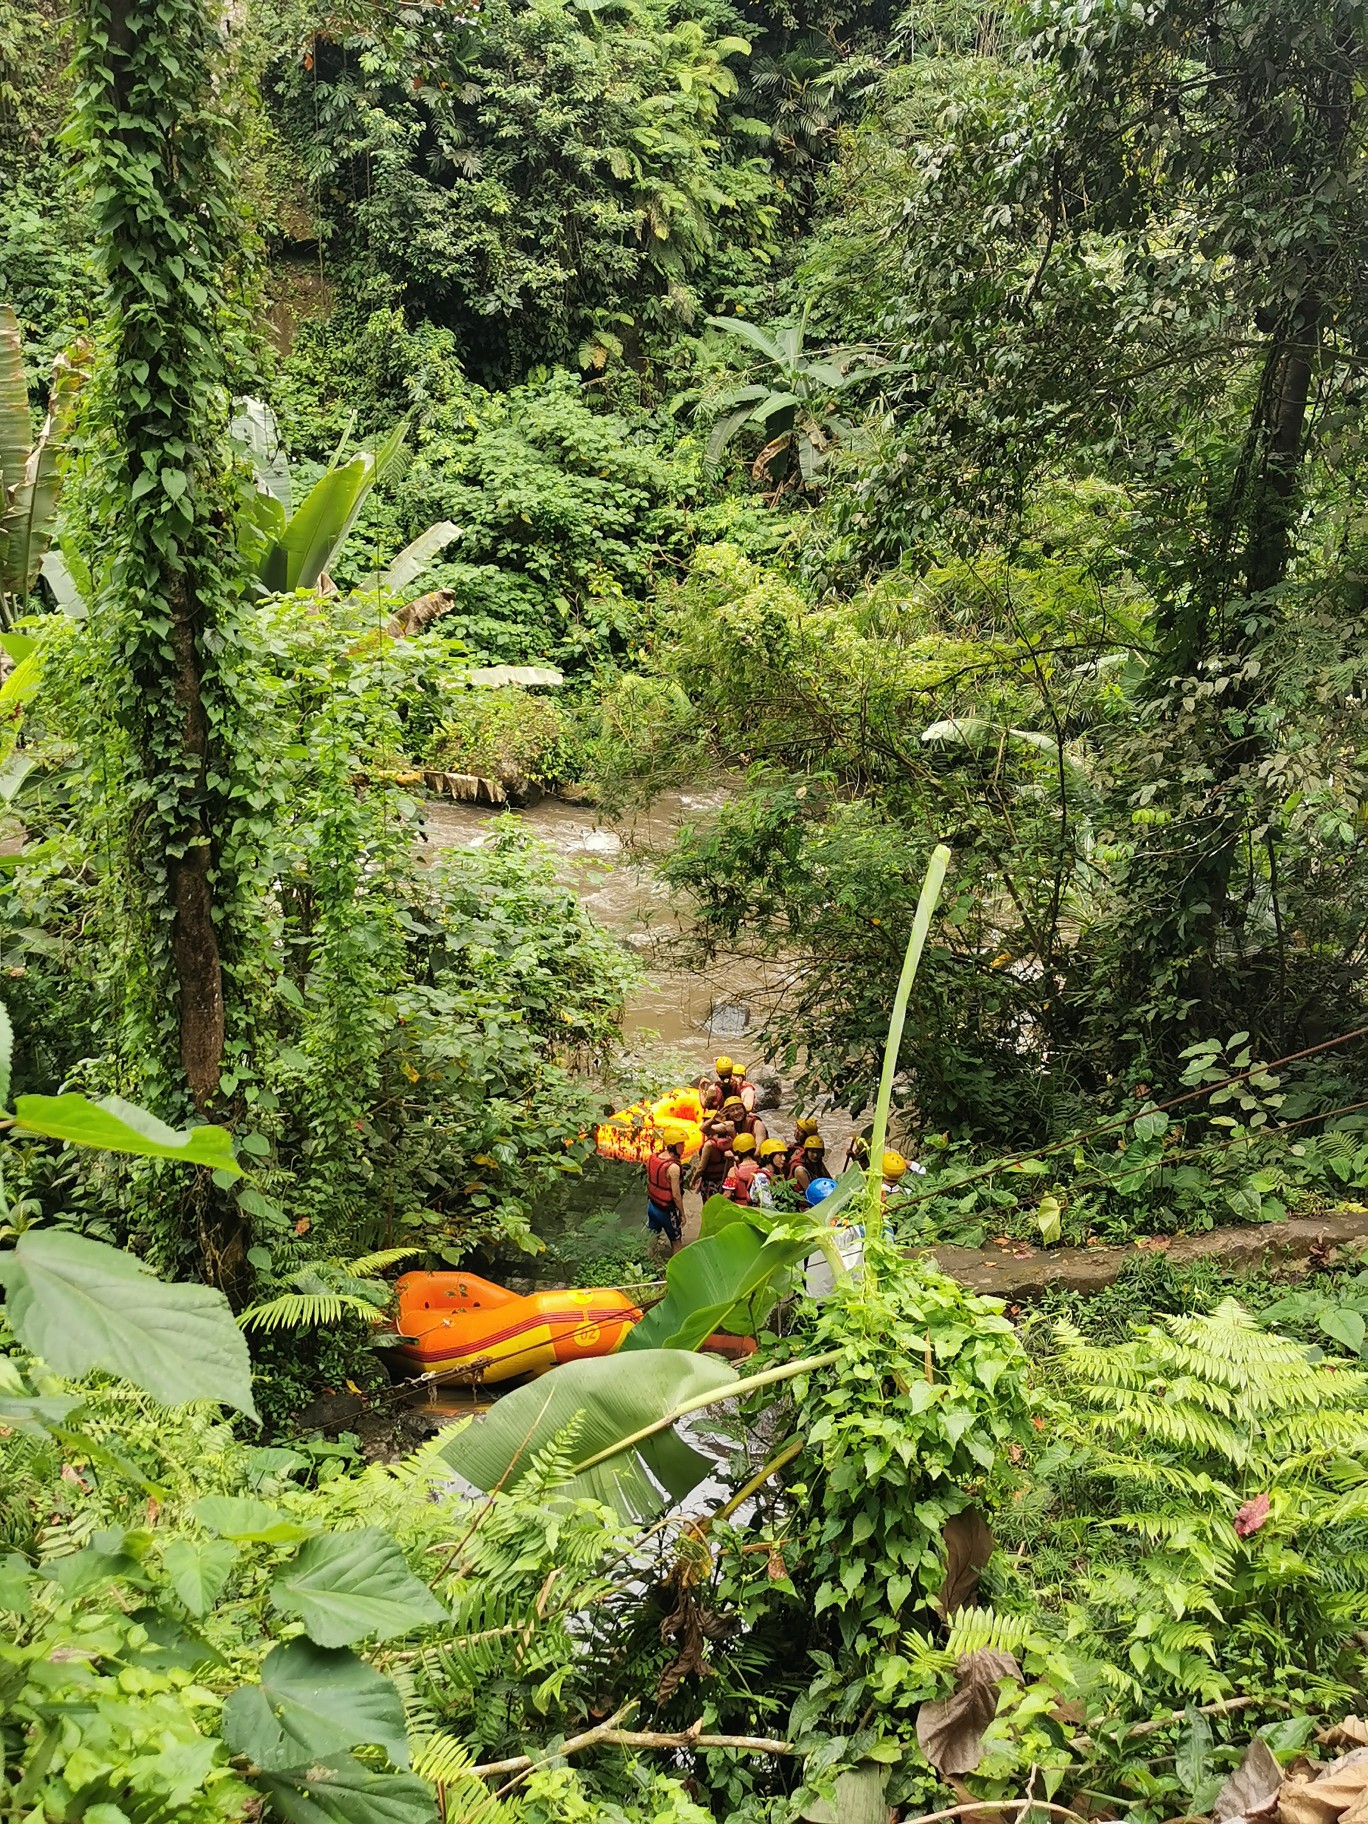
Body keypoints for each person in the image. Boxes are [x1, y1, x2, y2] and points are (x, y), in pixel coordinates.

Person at [645, 1127, 687, 1254]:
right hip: (667, 1212)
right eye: (681, 1144)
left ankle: (647, 1264)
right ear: (673, 1146)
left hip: (652, 1206)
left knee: (651, 1238)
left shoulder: (653, 1157)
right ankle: (677, 1270)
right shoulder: (673, 1167)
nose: (684, 1147)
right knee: (677, 1242)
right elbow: (676, 1195)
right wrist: (682, 1213)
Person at [689, 1114, 735, 1199]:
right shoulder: (731, 1141)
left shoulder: (709, 1145)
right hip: (725, 1182)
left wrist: (693, 1180)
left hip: (710, 1183)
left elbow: (701, 1168)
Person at [722, 1131, 760, 1205]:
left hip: (740, 1210)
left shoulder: (733, 1171)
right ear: (754, 1149)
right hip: (757, 1210)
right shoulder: (760, 1169)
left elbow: (727, 1194)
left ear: (737, 1152)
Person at [752, 1137, 789, 1208]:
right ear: (768, 1157)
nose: (784, 1158)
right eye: (780, 1155)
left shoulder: (778, 1174)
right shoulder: (761, 1178)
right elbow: (767, 1205)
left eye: (784, 1155)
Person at [789, 1132, 827, 1199]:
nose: (815, 1155)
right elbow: (811, 1193)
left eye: (818, 1152)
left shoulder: (818, 1162)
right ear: (806, 1152)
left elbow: (829, 1178)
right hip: (804, 1201)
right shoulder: (800, 1170)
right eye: (812, 1152)